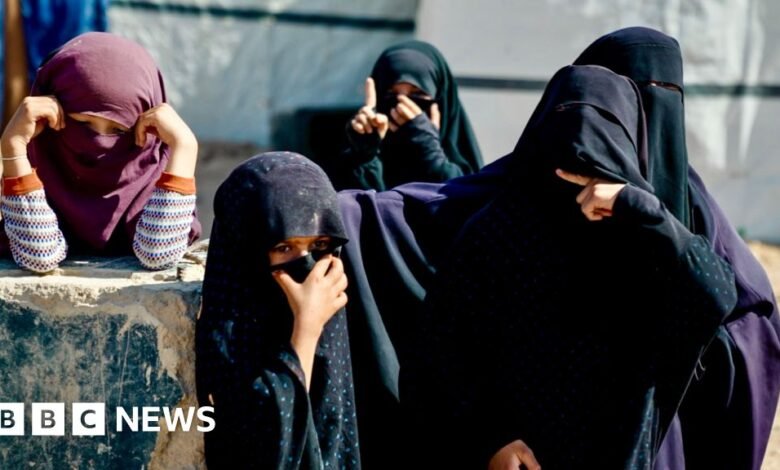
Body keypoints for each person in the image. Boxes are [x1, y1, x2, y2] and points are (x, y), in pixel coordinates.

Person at [401, 64, 738, 468]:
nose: (581, 144)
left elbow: (716, 296)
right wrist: (491, 438)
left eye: (603, 127)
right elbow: (442, 350)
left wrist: (640, 209)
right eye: (567, 121)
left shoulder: (647, 238)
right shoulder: (497, 231)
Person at [573, 26, 780, 470]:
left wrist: (641, 210)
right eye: (635, 95)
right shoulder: (545, 189)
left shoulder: (693, 205)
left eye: (667, 92)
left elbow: (745, 312)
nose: (654, 112)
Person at [196, 152, 357, 469]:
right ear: (247, 249)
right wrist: (305, 331)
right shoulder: (230, 331)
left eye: (319, 246)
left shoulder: (340, 308)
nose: (307, 266)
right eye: (284, 248)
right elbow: (266, 448)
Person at [0, 32, 200, 272]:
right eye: (83, 123)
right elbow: (38, 255)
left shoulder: (152, 176)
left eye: (118, 130)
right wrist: (13, 146)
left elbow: (159, 253)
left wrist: (185, 147)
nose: (99, 143)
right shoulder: (37, 167)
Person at [342, 40, 483, 191]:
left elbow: (464, 201)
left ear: (441, 99)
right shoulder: (358, 156)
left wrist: (430, 152)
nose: (402, 107)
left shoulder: (469, 173)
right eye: (390, 93)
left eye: (418, 94)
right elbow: (355, 201)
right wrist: (364, 157)